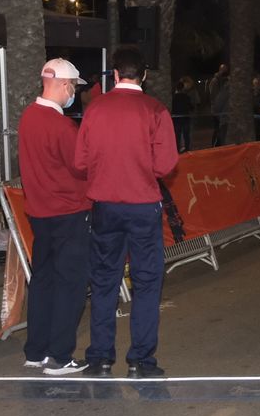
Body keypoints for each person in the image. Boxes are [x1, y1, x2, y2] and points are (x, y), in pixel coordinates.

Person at [75, 46, 181, 378]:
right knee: (147, 282)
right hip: (143, 207)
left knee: (104, 280)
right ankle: (141, 361)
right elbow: (166, 165)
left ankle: (100, 357)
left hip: (105, 206)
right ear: (144, 76)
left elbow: (80, 161)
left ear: (115, 74)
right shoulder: (156, 110)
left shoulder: (96, 109)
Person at [16, 58, 93, 374]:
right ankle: (61, 356)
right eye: (73, 86)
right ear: (63, 85)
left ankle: (36, 350)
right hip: (69, 212)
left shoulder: (27, 118)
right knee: (70, 284)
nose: (73, 92)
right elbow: (81, 167)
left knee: (42, 280)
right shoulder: (62, 126)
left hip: (39, 213)